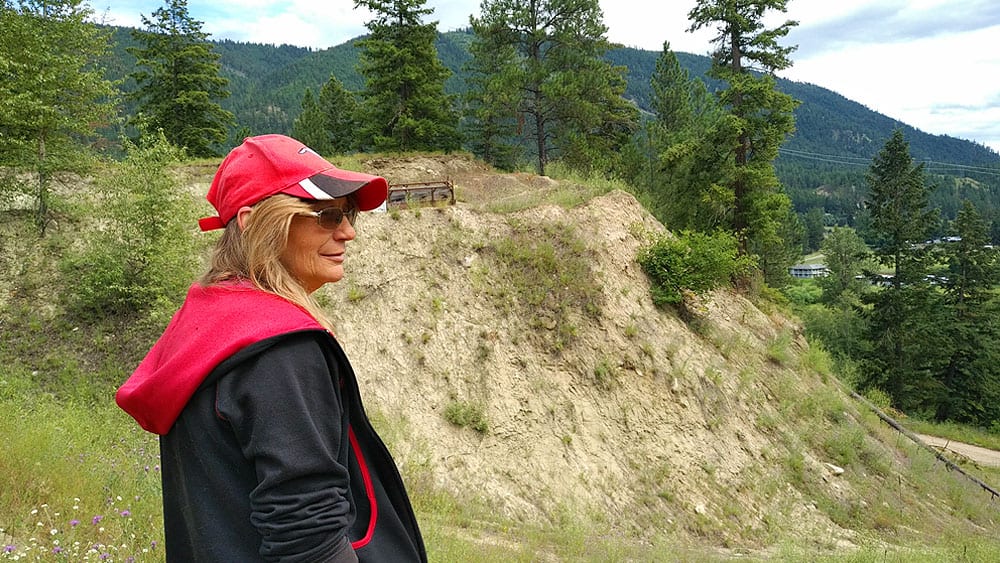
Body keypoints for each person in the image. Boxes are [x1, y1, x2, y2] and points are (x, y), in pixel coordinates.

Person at [116, 134, 426, 562]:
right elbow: (309, 534)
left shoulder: (211, 323)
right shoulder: (279, 350)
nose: (348, 231)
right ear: (252, 221)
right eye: (326, 214)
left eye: (348, 213)